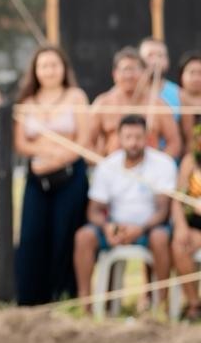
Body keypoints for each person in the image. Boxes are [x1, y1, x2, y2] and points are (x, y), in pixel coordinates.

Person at [13, 45, 92, 305]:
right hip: (37, 178)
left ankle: (63, 295)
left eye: (54, 65)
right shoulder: (26, 102)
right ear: (35, 70)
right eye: (44, 65)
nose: (49, 70)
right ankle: (32, 298)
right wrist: (46, 152)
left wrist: (59, 158)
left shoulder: (76, 96)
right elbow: (21, 143)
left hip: (70, 176)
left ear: (63, 68)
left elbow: (83, 139)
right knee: (33, 235)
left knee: (64, 233)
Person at [73, 115, 174, 312]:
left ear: (147, 137)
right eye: (128, 137)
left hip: (150, 227)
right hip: (115, 226)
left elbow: (163, 210)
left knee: (161, 238)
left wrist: (140, 228)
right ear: (119, 137)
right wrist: (107, 227)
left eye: (138, 137)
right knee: (83, 237)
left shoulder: (163, 164)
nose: (133, 143)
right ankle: (85, 306)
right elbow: (93, 210)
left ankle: (161, 306)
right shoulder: (108, 165)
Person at [90, 48, 181, 160]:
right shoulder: (103, 103)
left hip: (148, 173)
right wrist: (104, 165)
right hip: (113, 171)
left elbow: (174, 143)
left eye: (133, 70)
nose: (129, 75)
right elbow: (87, 142)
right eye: (125, 70)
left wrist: (159, 165)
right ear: (114, 74)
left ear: (144, 73)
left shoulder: (157, 104)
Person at [171, 140, 201, 320]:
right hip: (194, 227)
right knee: (179, 244)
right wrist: (181, 226)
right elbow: (177, 198)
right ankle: (194, 304)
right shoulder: (191, 161)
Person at [139, 37, 181, 117]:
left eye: (160, 55)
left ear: (167, 61)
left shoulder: (179, 94)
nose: (155, 60)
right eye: (150, 55)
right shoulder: (127, 92)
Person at [177, 51, 201, 154]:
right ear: (182, 75)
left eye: (200, 73)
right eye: (192, 72)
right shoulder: (173, 98)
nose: (196, 78)